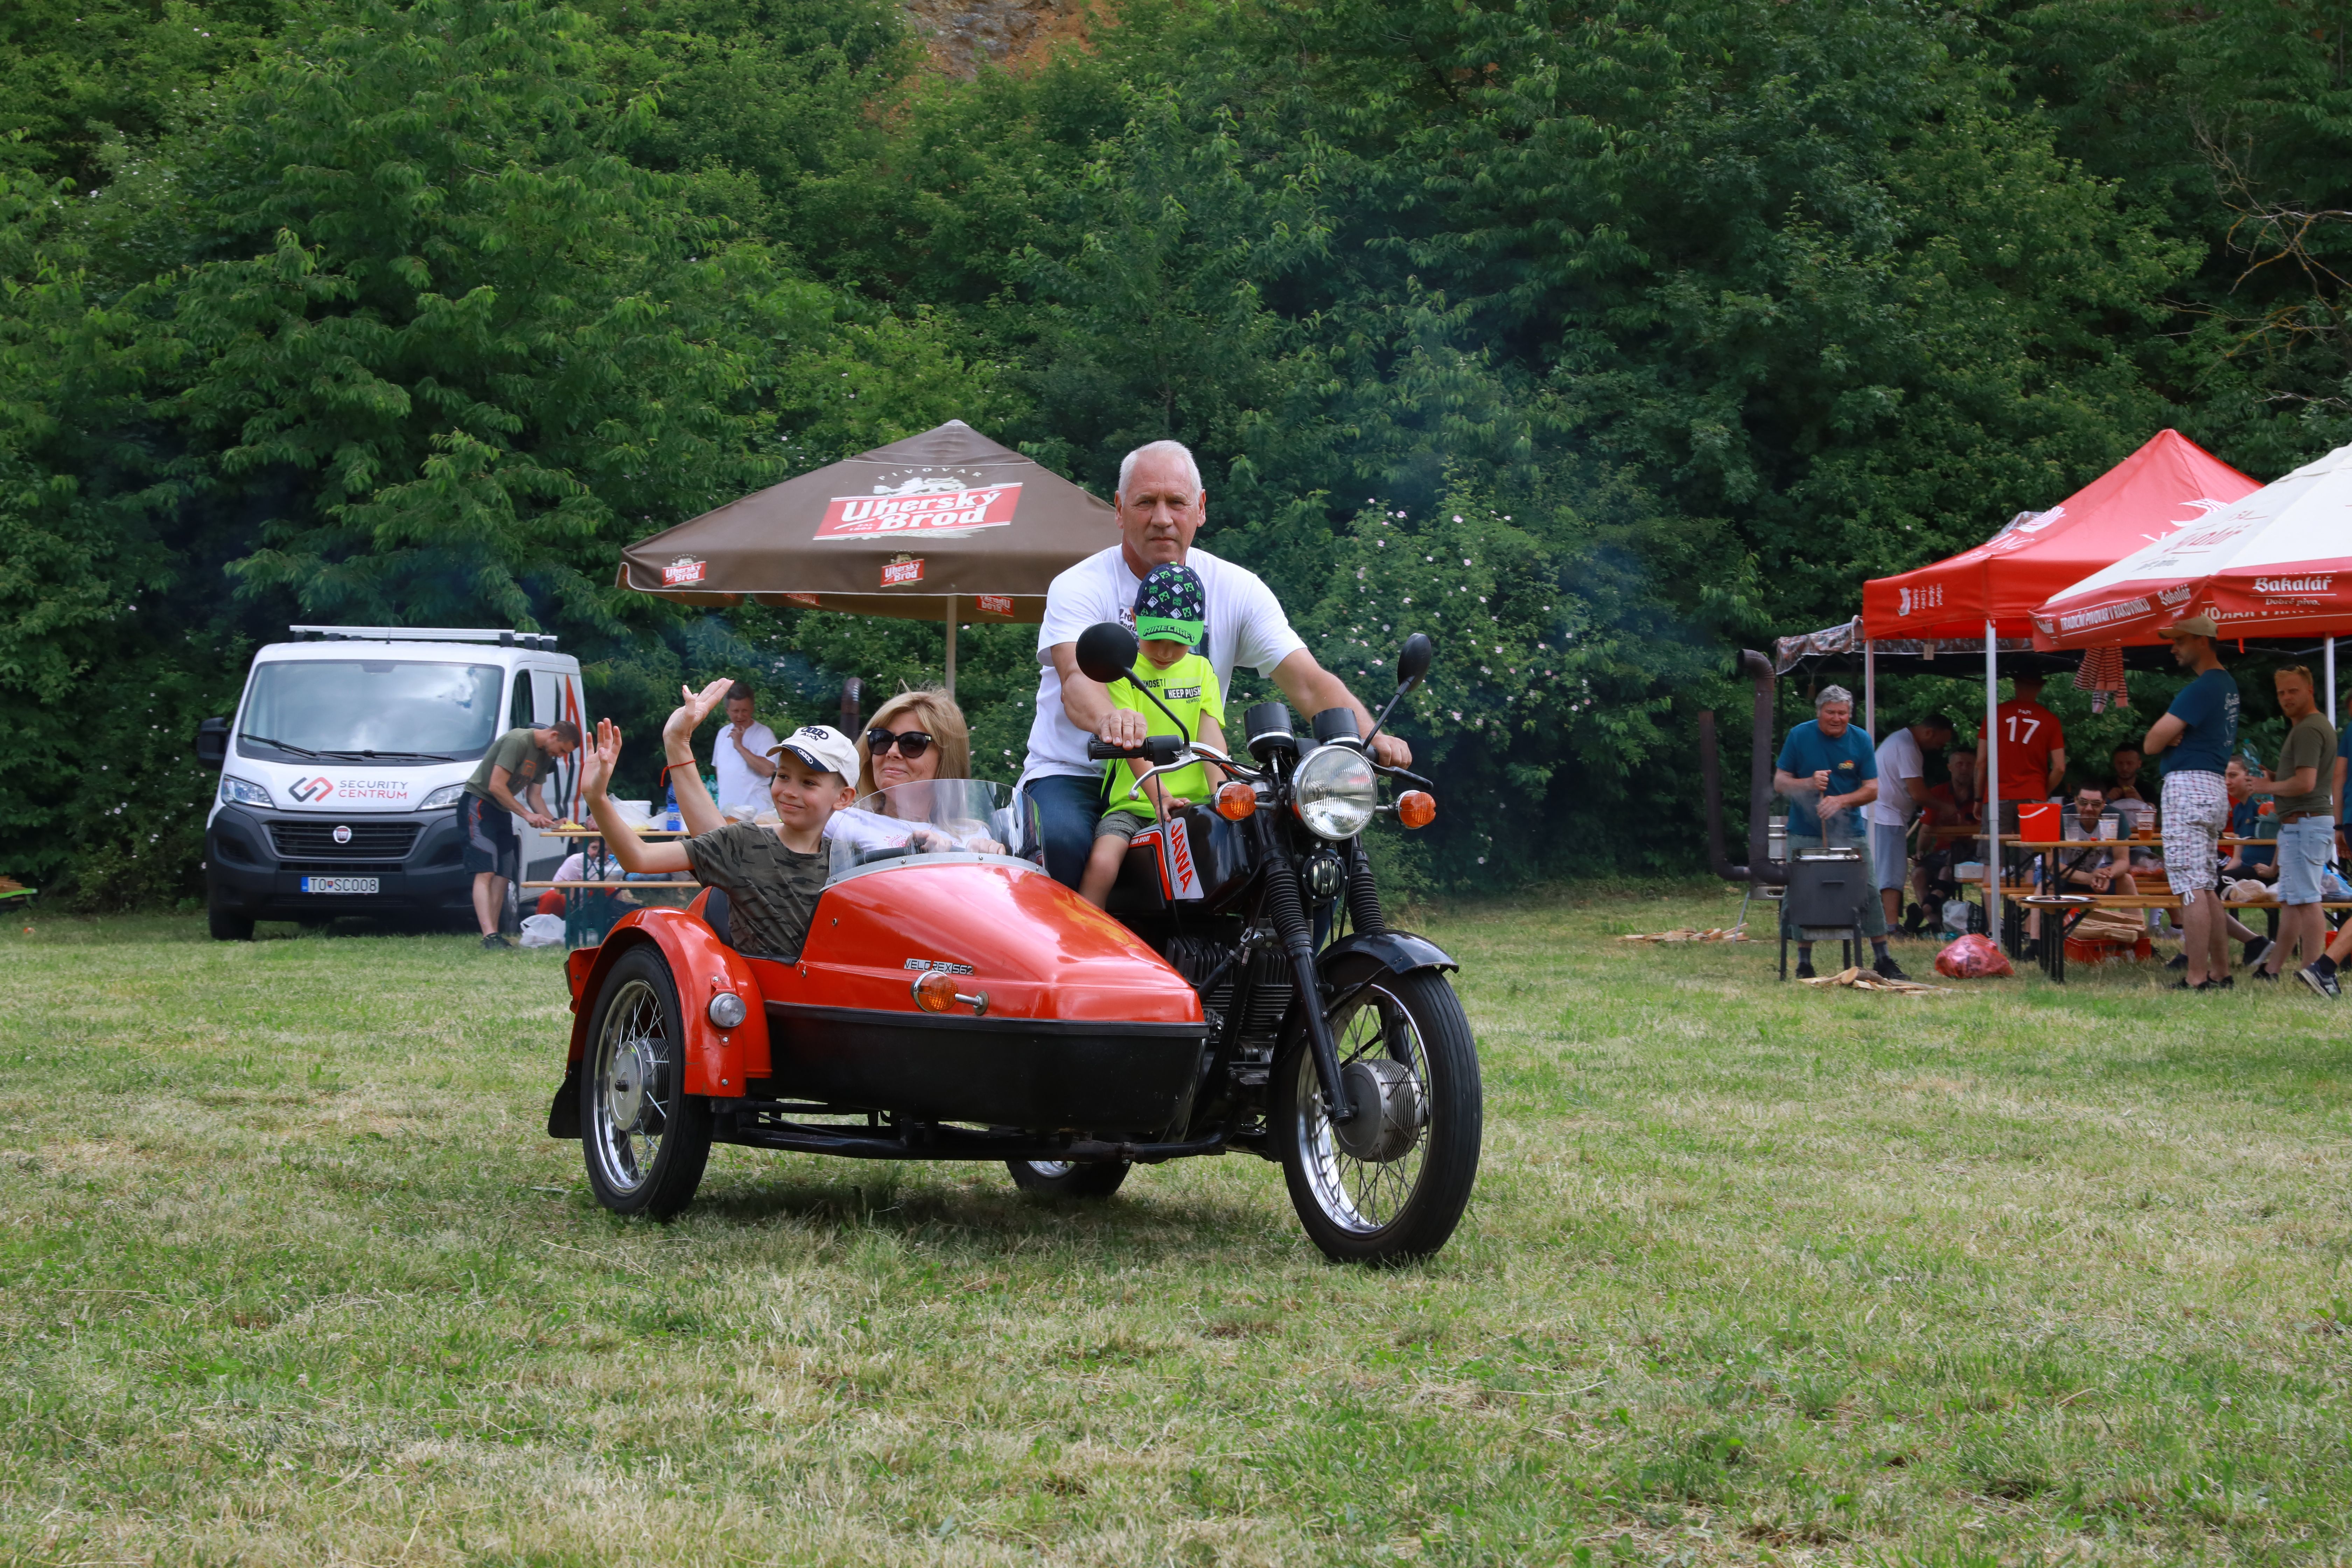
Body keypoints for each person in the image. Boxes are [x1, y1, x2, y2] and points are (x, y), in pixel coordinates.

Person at [1021, 439, 1411, 888]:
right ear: (1120, 510)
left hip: (1186, 777)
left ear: (1201, 508)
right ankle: (1076, 936)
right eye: (1146, 502)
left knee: (1291, 845)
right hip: (1077, 772)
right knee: (1064, 842)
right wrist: (1114, 721)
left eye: (1177, 502)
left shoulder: (1237, 589)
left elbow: (1307, 680)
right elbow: (1076, 679)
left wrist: (1370, 736)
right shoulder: (1080, 586)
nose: (1162, 518)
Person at [580, 681, 860, 961]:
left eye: (809, 783)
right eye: (784, 776)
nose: (789, 791)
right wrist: (597, 798)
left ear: (844, 797)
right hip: (758, 987)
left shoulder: (851, 862)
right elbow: (639, 858)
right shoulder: (744, 842)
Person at [1078, 565, 1233, 909]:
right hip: (1134, 803)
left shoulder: (1202, 670)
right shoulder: (1122, 670)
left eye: (1178, 643)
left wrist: (1222, 794)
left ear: (1198, 631)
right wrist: (1160, 797)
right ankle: (1084, 931)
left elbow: (1210, 737)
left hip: (1195, 805)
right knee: (1103, 862)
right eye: (1155, 638)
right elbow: (1130, 744)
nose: (1165, 652)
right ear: (1135, 619)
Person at [1773, 685, 1906, 980]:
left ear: (1850, 714)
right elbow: (1780, 782)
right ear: (1819, 712)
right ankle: (1804, 963)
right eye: (1831, 712)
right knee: (1803, 891)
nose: (1837, 718)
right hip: (1804, 830)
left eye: (1843, 713)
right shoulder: (1800, 735)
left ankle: (1883, 959)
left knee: (1868, 889)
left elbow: (1872, 789)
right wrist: (1809, 784)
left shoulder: (1861, 740)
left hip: (1850, 831)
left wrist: (1840, 801)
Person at [2141, 614, 2240, 989]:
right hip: (2214, 786)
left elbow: (2151, 743)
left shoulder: (2202, 687)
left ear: (2202, 641)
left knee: (2189, 884)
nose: (2173, 648)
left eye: (2179, 641)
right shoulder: (2228, 685)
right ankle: (2221, 972)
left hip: (2188, 788)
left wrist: (2168, 736)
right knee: (2206, 883)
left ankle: (2197, 977)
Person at [2248, 665, 2338, 984]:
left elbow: (2306, 783)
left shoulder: (2309, 729)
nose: (2286, 698)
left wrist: (2266, 787)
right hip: (2302, 825)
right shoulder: (2309, 726)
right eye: (2281, 693)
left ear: (2310, 691)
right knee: (2291, 901)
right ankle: (2273, 970)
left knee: (2308, 901)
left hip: (2305, 824)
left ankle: (2315, 972)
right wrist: (2276, 777)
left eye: (2293, 691)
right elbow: (2304, 779)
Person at [461, 718, 581, 949]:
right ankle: (488, 935)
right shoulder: (518, 741)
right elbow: (496, 786)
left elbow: (535, 796)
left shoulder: (545, 757)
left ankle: (494, 935)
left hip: (502, 809)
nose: (561, 756)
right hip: (479, 803)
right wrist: (527, 815)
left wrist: (555, 823)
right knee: (486, 871)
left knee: (503, 873)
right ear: (554, 736)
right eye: (562, 750)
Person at [1867, 712, 1955, 934]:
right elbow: (1918, 793)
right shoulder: (1907, 748)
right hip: (1886, 817)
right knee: (1891, 874)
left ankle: (1885, 923)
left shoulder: (1900, 741)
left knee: (1887, 871)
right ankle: (1890, 927)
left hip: (1883, 815)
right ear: (1929, 733)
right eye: (1939, 742)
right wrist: (1946, 807)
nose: (1939, 748)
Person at [1977, 670, 2066, 812]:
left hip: (1998, 795)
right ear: (2040, 688)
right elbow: (2060, 768)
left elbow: (1981, 762)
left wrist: (1978, 798)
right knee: (2031, 829)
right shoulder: (2051, 720)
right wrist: (2042, 792)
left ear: (2015, 685)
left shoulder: (1995, 714)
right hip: (2033, 794)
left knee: (1996, 829)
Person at [711, 682, 779, 820]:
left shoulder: (764, 734)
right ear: (727, 711)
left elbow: (768, 770)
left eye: (745, 711)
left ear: (752, 709)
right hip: (727, 813)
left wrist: (740, 746)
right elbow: (719, 771)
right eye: (736, 711)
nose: (740, 716)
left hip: (758, 815)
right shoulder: (723, 733)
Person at [2057, 786, 2136, 896]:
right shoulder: (2061, 816)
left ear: (2104, 804)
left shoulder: (2114, 817)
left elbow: (2123, 860)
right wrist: (2089, 878)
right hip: (2064, 875)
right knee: (2046, 884)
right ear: (2076, 801)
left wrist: (2107, 876)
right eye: (2083, 802)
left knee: (2127, 880)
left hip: (2098, 874)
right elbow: (2052, 865)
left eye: (2096, 804)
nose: (2089, 808)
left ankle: (2137, 910)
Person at [2219, 756, 2277, 888]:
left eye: (2233, 776)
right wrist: (2222, 876)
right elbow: (2238, 859)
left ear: (2250, 776)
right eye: (2225, 777)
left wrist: (2273, 869)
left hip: (2265, 873)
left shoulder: (2264, 804)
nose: (2227, 782)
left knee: (2209, 885)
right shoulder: (2238, 810)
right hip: (2247, 870)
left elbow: (2285, 841)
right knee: (2209, 884)